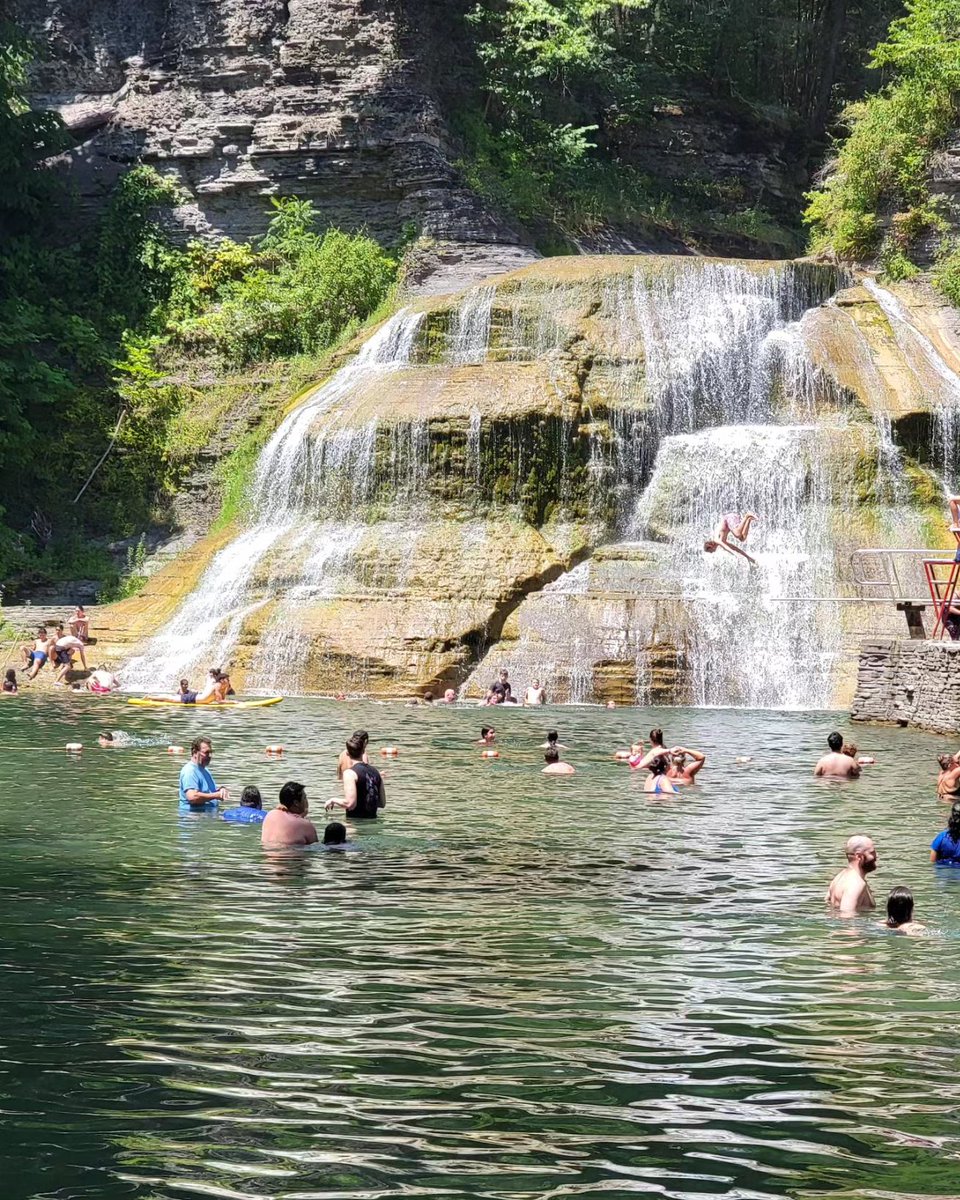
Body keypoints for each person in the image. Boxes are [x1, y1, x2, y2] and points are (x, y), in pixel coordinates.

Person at [327, 734, 386, 819]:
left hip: (355, 824)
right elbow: (382, 803)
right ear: (363, 751)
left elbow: (350, 804)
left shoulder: (349, 773)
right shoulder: (375, 772)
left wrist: (333, 800)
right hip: (374, 824)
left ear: (347, 753)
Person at [825, 834, 877, 914]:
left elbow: (828, 903)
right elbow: (847, 918)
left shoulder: (838, 878)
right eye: (872, 853)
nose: (876, 856)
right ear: (859, 856)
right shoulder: (856, 884)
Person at [178, 736, 228, 810]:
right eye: (206, 753)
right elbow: (192, 797)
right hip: (193, 817)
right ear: (195, 752)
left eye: (210, 752)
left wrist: (221, 791)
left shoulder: (205, 770)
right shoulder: (190, 771)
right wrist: (215, 795)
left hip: (207, 816)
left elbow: (208, 792)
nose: (210, 756)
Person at [262, 781, 318, 846]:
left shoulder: (270, 815)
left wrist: (300, 818)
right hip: (290, 855)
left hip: (267, 855)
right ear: (296, 803)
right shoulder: (306, 825)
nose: (306, 801)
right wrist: (303, 820)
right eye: (304, 798)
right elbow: (316, 847)